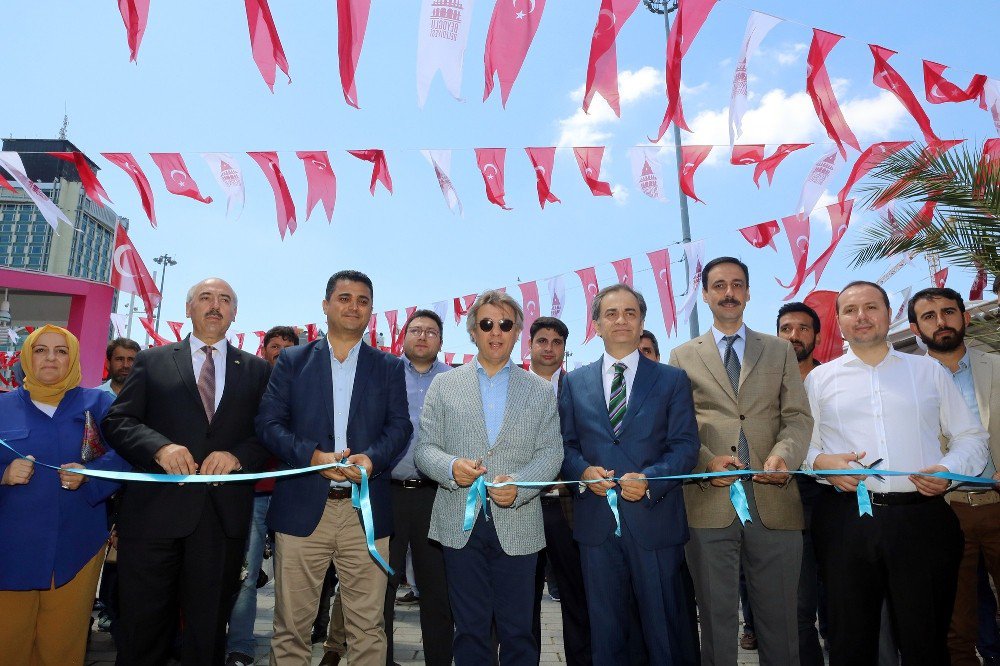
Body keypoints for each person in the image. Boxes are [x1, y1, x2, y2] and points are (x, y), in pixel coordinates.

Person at [807, 281, 988, 666]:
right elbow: (803, 447)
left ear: (889, 314)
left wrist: (948, 470)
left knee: (927, 641)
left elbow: (971, 437)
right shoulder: (819, 380)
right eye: (850, 310)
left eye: (871, 307)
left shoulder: (928, 372)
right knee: (849, 642)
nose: (862, 317)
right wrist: (821, 464)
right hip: (846, 521)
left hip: (921, 518)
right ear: (838, 322)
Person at [103, 277, 272, 666]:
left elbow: (268, 434)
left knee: (208, 630)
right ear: (189, 308)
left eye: (225, 299)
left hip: (220, 518)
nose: (215, 305)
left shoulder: (257, 370)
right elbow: (119, 421)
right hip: (152, 518)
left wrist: (237, 456)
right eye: (206, 298)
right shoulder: (152, 360)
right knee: (141, 629)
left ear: (234, 313)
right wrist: (158, 448)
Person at [257, 270, 411, 666]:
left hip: (367, 510)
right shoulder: (292, 361)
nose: (353, 306)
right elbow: (269, 425)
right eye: (344, 298)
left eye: (362, 300)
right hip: (303, 509)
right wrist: (312, 457)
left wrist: (371, 459)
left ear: (371, 311)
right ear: (325, 306)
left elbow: (400, 427)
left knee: (368, 630)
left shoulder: (390, 367)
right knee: (291, 627)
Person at [668, 256, 813, 666]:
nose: (728, 293)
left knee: (781, 623)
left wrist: (784, 456)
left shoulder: (780, 350)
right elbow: (677, 428)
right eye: (719, 286)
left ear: (748, 292)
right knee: (715, 622)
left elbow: (798, 417)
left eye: (736, 285)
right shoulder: (682, 356)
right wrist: (703, 462)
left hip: (776, 499)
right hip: (708, 503)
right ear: (707, 294)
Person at [414, 290, 563, 665]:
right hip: (457, 524)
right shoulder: (444, 384)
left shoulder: (541, 390)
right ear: (473, 331)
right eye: (486, 324)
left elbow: (551, 452)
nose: (495, 332)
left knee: (519, 632)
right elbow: (425, 449)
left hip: (520, 524)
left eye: (505, 324)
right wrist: (451, 468)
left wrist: (522, 486)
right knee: (469, 630)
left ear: (517, 333)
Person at [562, 283, 700, 664]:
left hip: (656, 523)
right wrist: (583, 470)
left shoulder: (672, 379)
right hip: (596, 526)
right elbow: (565, 445)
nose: (620, 320)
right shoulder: (573, 382)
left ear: (642, 322)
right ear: (596, 324)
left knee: (664, 633)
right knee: (606, 635)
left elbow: (686, 446)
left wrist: (651, 479)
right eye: (611, 314)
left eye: (629, 313)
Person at [0, 325, 129, 664]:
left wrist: (90, 477)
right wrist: (3, 474)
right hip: (10, 549)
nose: (51, 358)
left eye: (61, 351)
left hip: (77, 548)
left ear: (73, 358)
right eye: (41, 350)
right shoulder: (3, 407)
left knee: (62, 647)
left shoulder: (100, 403)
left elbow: (127, 453)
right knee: (7, 642)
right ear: (27, 356)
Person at [907, 287, 1000, 666]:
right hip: (942, 511)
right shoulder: (903, 379)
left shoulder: (996, 364)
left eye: (948, 312)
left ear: (964, 316)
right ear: (915, 327)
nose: (940, 322)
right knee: (954, 625)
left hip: (997, 506)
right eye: (929, 316)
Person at [381, 308, 453, 666]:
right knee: (382, 585)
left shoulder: (456, 379)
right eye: (415, 330)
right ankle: (382, 659)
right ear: (403, 337)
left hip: (437, 495)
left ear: (441, 341)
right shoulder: (384, 373)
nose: (422, 336)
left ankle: (439, 659)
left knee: (437, 588)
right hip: (387, 492)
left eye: (431, 332)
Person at [225, 325, 299, 666]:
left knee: (295, 580)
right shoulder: (247, 383)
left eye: (289, 346)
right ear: (264, 349)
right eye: (274, 345)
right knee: (247, 574)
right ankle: (240, 644)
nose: (281, 351)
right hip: (252, 493)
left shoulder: (306, 388)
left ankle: (288, 649)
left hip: (293, 494)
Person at [528, 316, 592, 666]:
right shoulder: (512, 387)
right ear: (531, 345)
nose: (549, 347)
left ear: (565, 349)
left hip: (569, 507)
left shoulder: (580, 387)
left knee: (576, 598)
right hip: (523, 507)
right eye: (542, 340)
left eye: (556, 341)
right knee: (523, 601)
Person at [776, 301, 828, 665]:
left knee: (843, 610)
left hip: (839, 502)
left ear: (818, 336)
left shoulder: (838, 378)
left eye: (803, 328)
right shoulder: (764, 387)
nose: (795, 336)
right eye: (786, 329)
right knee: (797, 613)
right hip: (788, 507)